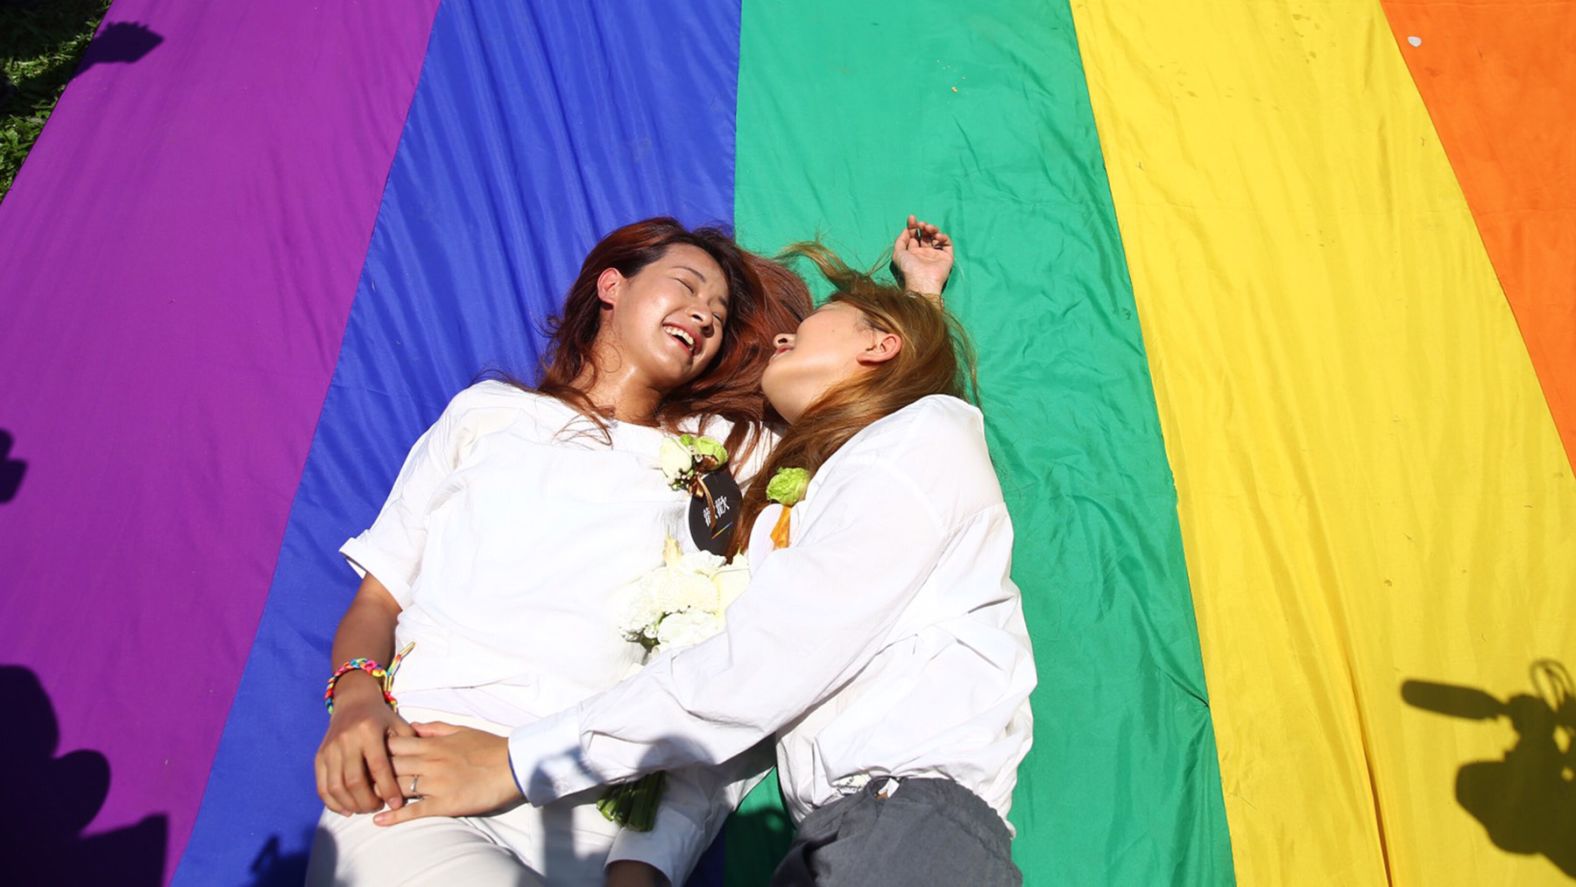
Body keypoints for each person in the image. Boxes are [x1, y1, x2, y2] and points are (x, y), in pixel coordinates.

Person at [376, 227, 1036, 886]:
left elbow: (758, 665)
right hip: (830, 836)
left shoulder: (923, 436)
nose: (781, 337)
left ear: (879, 344)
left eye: (814, 324)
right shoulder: (787, 505)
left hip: (906, 822)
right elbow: (734, 678)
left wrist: (521, 762)